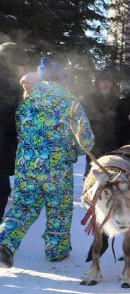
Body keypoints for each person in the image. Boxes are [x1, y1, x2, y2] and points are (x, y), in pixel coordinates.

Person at [0, 57, 94, 268]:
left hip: (27, 166)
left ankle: (5, 241)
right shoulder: (70, 103)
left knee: (23, 205)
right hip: (57, 168)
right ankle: (56, 250)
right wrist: (74, 151)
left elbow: (18, 131)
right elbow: (86, 138)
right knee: (59, 207)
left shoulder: (27, 102)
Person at [0, 43, 29, 220]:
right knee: (1, 190)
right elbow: (11, 119)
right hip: (2, 151)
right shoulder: (10, 87)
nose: (23, 69)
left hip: (4, 150)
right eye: (21, 64)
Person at [83, 70, 126, 173]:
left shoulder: (118, 101)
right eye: (103, 81)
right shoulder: (89, 100)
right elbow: (83, 122)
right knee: (91, 175)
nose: (105, 84)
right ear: (98, 83)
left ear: (111, 84)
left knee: (111, 176)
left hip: (113, 145)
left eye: (108, 82)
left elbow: (124, 124)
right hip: (94, 144)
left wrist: (124, 143)